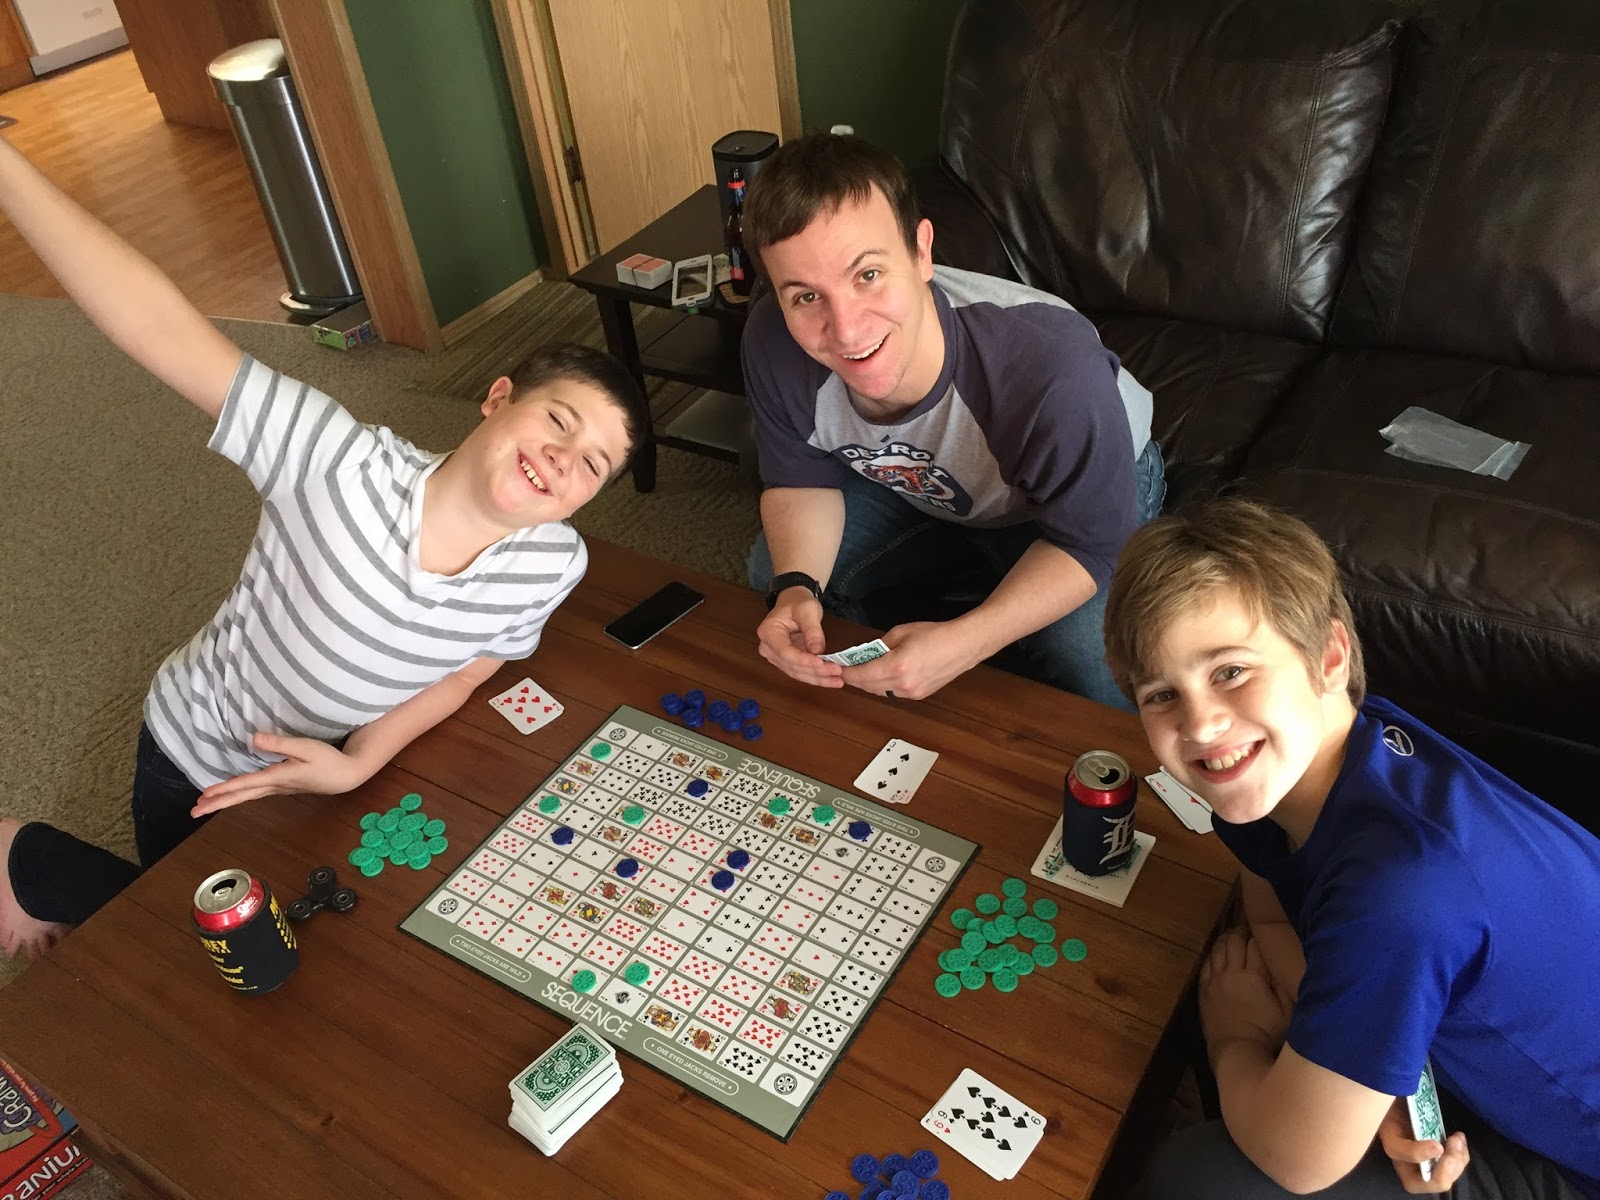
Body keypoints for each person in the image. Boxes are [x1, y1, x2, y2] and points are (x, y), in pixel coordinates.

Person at [0, 132, 648, 959]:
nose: (564, 457)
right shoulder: (332, 459)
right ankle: (25, 857)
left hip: (323, 767)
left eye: (593, 464)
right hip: (196, 760)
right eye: (558, 419)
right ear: (496, 398)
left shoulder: (555, 563)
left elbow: (471, 669)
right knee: (187, 953)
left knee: (296, 960)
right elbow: (153, 321)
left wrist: (359, 764)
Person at [1101, 498, 1600, 1200]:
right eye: (1160, 694)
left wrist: (1235, 1036)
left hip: (1576, 1158)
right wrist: (1373, 1081)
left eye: (1231, 671)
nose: (1201, 725)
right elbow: (1270, 914)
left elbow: (1299, 1161)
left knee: (1191, 1175)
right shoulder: (1302, 765)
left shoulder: (1397, 892)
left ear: (1330, 657)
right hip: (1495, 1037)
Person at [740, 132, 1164, 708]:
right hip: (929, 485)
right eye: (806, 297)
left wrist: (966, 642)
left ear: (922, 252)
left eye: (868, 275)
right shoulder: (770, 340)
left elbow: (1090, 544)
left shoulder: (1053, 368)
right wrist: (795, 587)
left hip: (1079, 494)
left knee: (1092, 658)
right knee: (773, 570)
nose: (846, 329)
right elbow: (800, 480)